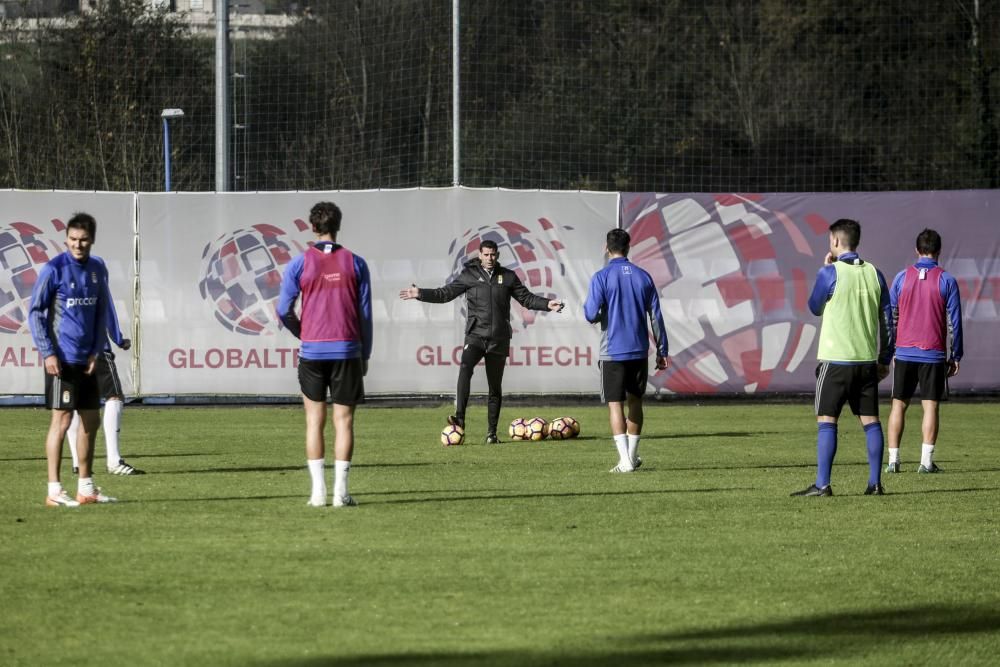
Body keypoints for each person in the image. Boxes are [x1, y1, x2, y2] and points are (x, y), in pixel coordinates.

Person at [398, 240, 563, 444]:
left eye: (493, 255)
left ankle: (491, 434)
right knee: (465, 368)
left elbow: (527, 299)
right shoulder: (469, 275)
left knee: (495, 387)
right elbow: (445, 294)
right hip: (475, 336)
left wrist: (548, 304)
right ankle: (459, 419)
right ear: (480, 254)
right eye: (486, 255)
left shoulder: (508, 277)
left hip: (499, 339)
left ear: (497, 255)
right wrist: (420, 293)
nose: (490, 258)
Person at [278, 201, 372, 508]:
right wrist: (365, 353)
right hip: (347, 350)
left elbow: (282, 310)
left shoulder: (299, 263)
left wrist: (302, 332)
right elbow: (365, 315)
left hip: (313, 352)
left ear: (312, 227)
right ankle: (340, 494)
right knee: (343, 422)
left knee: (313, 422)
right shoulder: (356, 263)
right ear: (338, 225)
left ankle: (317, 493)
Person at [792, 218, 893, 497]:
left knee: (827, 421)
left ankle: (823, 484)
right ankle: (875, 484)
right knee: (871, 422)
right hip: (865, 362)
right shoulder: (876, 274)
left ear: (835, 241)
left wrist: (825, 270)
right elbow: (888, 320)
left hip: (836, 361)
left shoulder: (830, 272)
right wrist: (885, 358)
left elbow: (814, 307)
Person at [28, 212, 118, 507]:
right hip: (62, 359)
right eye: (73, 240)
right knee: (62, 420)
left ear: (92, 240)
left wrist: (95, 351)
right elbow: (36, 313)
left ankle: (86, 488)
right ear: (66, 239)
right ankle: (54, 491)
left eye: (83, 240)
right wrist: (47, 352)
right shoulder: (53, 269)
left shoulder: (97, 269)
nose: (77, 245)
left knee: (91, 421)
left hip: (87, 359)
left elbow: (100, 311)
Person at [583, 228, 669, 472]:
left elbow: (590, 314)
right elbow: (656, 317)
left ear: (606, 248)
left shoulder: (601, 276)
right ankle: (632, 457)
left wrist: (601, 313)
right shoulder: (644, 276)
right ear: (628, 248)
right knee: (635, 403)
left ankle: (624, 461)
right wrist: (662, 350)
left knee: (614, 405)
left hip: (612, 351)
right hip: (639, 350)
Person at [886, 228, 963, 474]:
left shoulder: (900, 278)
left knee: (898, 405)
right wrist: (956, 355)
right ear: (939, 251)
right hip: (933, 353)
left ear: (917, 250)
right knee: (930, 407)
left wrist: (891, 350)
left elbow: (890, 317)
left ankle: (893, 461)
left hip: (904, 352)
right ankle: (926, 463)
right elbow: (955, 322)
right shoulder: (947, 280)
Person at [67, 294, 145, 476]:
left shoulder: (57, 271)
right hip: (96, 348)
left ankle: (77, 462)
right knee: (114, 396)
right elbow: (107, 309)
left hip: (68, 349)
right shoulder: (95, 269)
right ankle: (114, 460)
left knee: (74, 404)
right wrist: (118, 339)